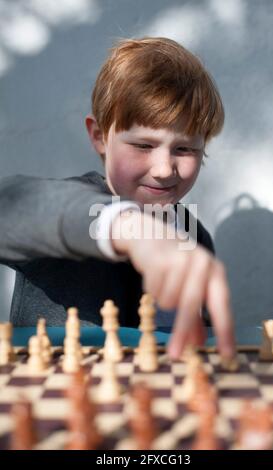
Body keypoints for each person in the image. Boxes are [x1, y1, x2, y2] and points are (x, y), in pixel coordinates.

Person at [0, 37, 235, 360]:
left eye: (184, 149)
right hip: (57, 405)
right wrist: (125, 226)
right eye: (143, 146)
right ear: (99, 137)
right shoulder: (67, 208)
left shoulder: (193, 235)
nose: (165, 169)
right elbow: (11, 206)